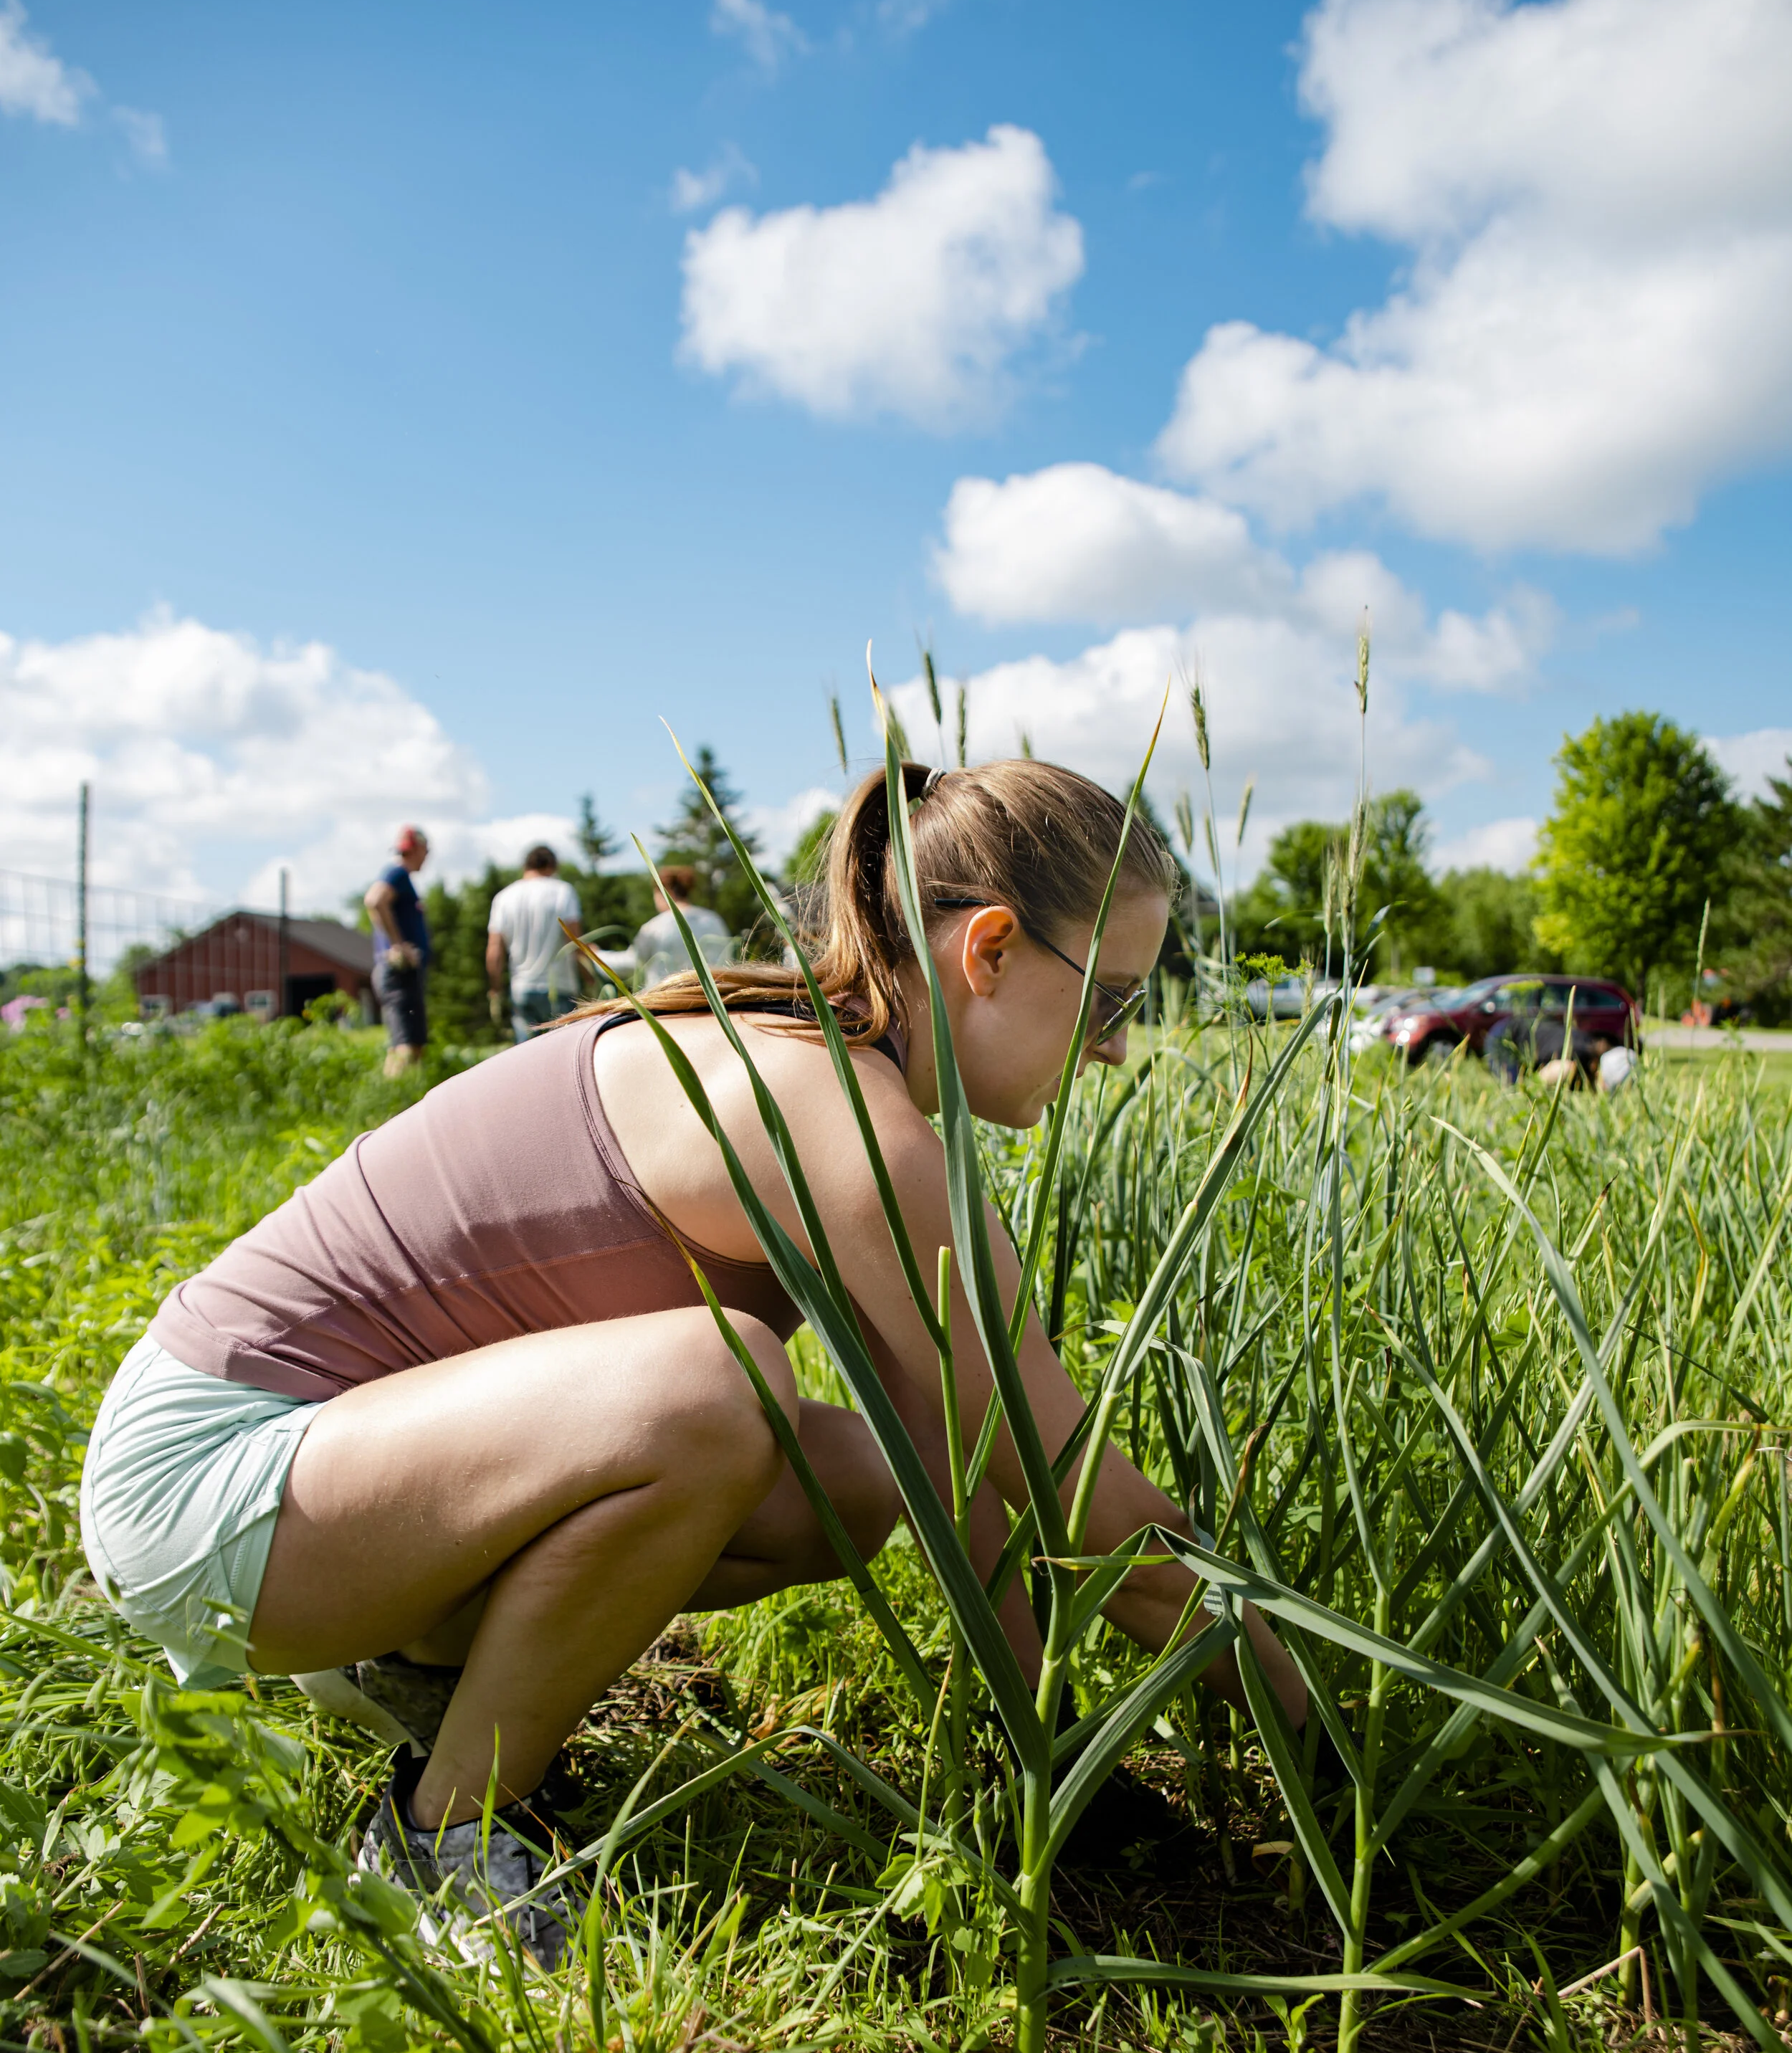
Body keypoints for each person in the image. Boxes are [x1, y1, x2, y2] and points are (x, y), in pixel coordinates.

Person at [77, 759, 1305, 1965]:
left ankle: (415, 1670)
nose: (1114, 1052)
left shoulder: (828, 1074)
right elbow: (1078, 1495)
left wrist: (1054, 1754)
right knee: (717, 1389)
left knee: (861, 1477)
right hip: (211, 1495)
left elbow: (971, 1463)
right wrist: (1316, 1732)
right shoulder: (830, 1112)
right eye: (1109, 1001)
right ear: (988, 949)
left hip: (344, 1480)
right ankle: (442, 1835)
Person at [486, 845, 583, 1043]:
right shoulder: (563, 891)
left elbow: (495, 951)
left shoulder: (504, 898)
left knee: (527, 1058)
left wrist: (495, 989)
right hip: (560, 987)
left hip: (522, 988)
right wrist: (589, 978)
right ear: (552, 866)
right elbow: (574, 942)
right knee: (561, 1054)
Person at [366, 826, 431, 1076]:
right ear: (417, 849)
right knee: (407, 1047)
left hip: (399, 975)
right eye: (426, 851)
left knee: (404, 1045)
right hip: (398, 974)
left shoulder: (400, 877)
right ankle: (398, 1105)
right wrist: (399, 945)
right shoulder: (396, 874)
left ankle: (395, 1101)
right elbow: (374, 900)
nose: (427, 857)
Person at [632, 862, 733, 983]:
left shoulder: (655, 926)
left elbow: (633, 962)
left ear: (664, 892)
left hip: (666, 999)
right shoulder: (714, 919)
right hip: (715, 997)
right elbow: (728, 960)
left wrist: (603, 957)